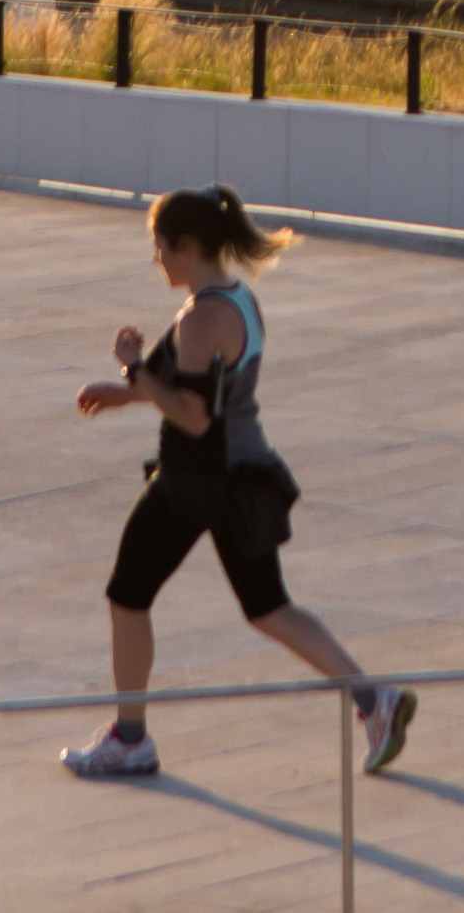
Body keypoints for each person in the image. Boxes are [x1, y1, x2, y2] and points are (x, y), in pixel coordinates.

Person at [61, 183, 417, 786]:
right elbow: (209, 398)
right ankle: (373, 698)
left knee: (128, 594)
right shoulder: (238, 299)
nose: (156, 260)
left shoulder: (202, 318)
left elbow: (196, 417)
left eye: (160, 247)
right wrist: (127, 393)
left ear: (188, 244)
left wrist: (134, 366)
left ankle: (129, 739)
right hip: (240, 474)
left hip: (196, 479)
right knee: (268, 607)